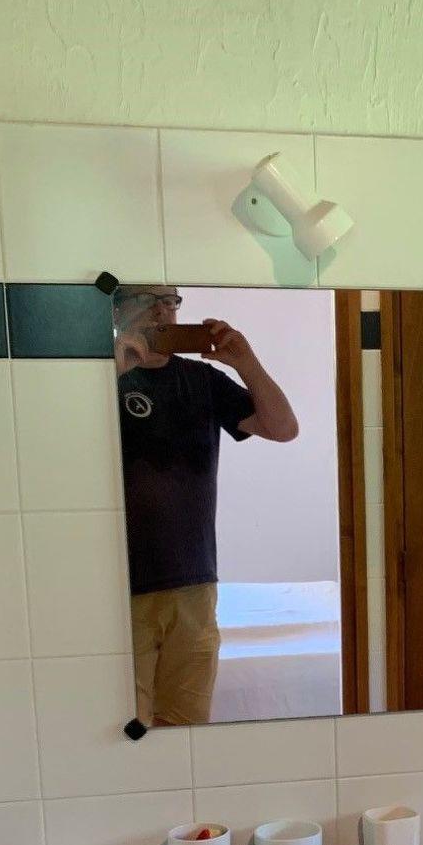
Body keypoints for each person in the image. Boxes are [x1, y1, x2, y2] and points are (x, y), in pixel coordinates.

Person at [113, 286, 298, 725]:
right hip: (117, 587)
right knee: (123, 729)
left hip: (193, 584)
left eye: (170, 301)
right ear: (117, 311)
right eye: (147, 299)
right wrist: (115, 371)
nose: (162, 310)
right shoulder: (99, 377)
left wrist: (246, 363)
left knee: (186, 728)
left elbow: (283, 428)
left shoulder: (202, 380)